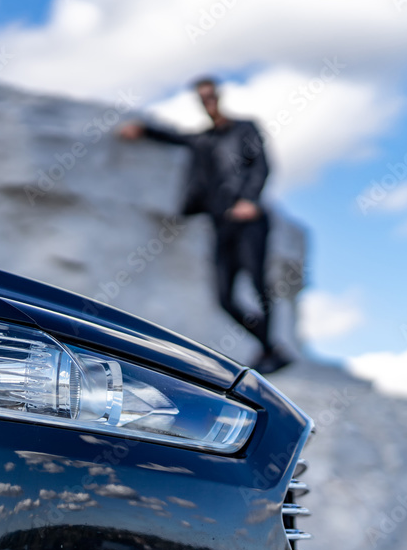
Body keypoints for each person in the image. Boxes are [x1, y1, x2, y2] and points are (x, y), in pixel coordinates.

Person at [118, 77, 290, 373]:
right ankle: (271, 347)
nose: (208, 101)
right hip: (220, 223)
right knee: (224, 297)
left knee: (258, 283)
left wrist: (249, 199)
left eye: (210, 95)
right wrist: (143, 130)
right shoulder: (203, 140)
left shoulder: (245, 128)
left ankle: (269, 350)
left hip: (249, 220)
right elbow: (175, 139)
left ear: (219, 96)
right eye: (202, 98)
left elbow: (261, 165)